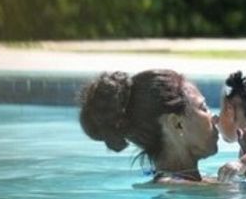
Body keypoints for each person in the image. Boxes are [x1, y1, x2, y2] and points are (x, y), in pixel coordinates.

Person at [78, 69, 220, 183]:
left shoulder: (189, 182)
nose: (215, 118)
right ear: (177, 124)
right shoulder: (175, 187)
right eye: (203, 108)